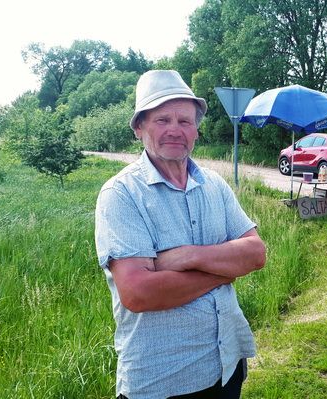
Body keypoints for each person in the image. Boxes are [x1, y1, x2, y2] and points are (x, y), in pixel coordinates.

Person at [94, 69, 266, 399]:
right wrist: (224, 272)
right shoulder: (121, 194)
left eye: (184, 121)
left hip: (227, 364)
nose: (175, 130)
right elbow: (139, 293)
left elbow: (256, 253)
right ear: (139, 127)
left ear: (196, 131)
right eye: (162, 120)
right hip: (162, 379)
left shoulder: (214, 185)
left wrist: (188, 256)